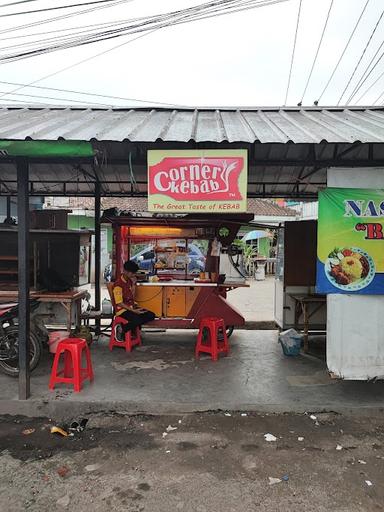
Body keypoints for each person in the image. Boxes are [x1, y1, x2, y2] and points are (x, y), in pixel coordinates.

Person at [112, 260, 155, 339]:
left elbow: (132, 296)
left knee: (151, 315)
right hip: (122, 310)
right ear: (126, 272)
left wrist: (134, 284)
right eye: (133, 273)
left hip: (131, 307)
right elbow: (119, 303)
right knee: (137, 320)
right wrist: (134, 311)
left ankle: (132, 330)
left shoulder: (129, 281)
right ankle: (122, 329)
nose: (134, 275)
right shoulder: (118, 284)